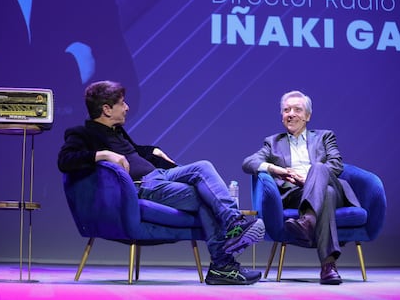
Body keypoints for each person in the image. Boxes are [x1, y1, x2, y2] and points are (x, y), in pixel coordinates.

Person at [58, 80, 265, 285]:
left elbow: (134, 152)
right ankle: (223, 265)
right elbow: (65, 160)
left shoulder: (116, 131)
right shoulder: (82, 133)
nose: (127, 107)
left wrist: (152, 150)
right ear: (106, 109)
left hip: (159, 175)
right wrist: (103, 155)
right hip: (145, 186)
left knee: (203, 166)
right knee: (205, 197)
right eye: (122, 103)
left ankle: (233, 223)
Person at [242, 90, 361, 285]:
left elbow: (336, 164)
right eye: (286, 110)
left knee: (320, 169)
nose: (291, 114)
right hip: (294, 194)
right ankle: (328, 266)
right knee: (327, 195)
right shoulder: (272, 142)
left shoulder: (324, 137)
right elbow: (248, 163)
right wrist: (276, 169)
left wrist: (310, 179)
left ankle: (307, 222)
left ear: (308, 116)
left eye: (298, 110)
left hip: (329, 184)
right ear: (282, 117)